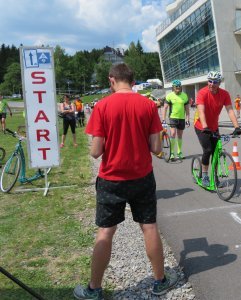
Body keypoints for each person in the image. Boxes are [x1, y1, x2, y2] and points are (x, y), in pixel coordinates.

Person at [73, 63, 178, 300]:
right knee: (149, 226)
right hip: (141, 177)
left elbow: (95, 152)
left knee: (105, 232)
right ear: (132, 80)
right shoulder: (148, 105)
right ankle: (160, 281)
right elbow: (156, 148)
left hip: (111, 178)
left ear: (112, 80)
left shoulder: (102, 106)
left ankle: (94, 289)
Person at [194, 71, 241, 187]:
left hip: (214, 127)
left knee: (216, 152)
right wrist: (205, 126)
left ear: (219, 83)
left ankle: (214, 177)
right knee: (208, 150)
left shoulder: (224, 94)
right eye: (210, 81)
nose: (212, 84)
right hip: (201, 126)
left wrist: (237, 126)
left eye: (215, 82)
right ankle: (205, 175)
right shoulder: (202, 93)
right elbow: (201, 111)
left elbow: (230, 110)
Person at [162, 80, 190, 160]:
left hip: (181, 118)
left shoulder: (184, 96)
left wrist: (187, 119)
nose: (178, 88)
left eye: (179, 87)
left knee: (180, 135)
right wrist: (163, 120)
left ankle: (179, 152)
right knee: (173, 133)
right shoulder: (169, 96)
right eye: (176, 87)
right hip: (173, 118)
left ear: (181, 87)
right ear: (173, 87)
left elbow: (187, 109)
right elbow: (165, 108)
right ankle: (172, 153)